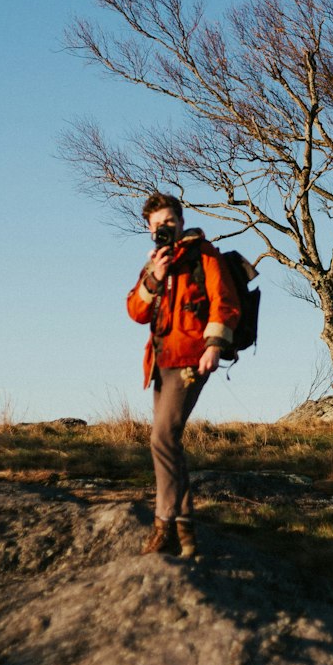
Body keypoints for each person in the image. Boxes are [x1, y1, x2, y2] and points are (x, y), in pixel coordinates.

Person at [127, 192, 240, 558]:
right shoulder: (156, 264)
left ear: (180, 220)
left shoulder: (202, 253)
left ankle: (163, 524)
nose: (164, 229)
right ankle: (186, 529)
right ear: (149, 229)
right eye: (157, 225)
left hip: (192, 358)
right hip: (160, 361)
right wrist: (154, 278)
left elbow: (224, 300)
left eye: (169, 222)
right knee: (169, 442)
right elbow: (135, 312)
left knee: (161, 437)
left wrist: (214, 346)